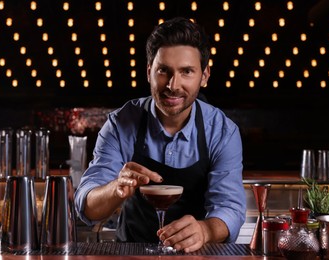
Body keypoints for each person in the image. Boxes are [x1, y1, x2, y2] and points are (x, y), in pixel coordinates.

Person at [74, 17, 246, 253]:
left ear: (204, 75)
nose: (173, 85)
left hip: (195, 254)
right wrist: (116, 188)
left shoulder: (222, 131)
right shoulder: (120, 123)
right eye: (164, 71)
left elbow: (230, 208)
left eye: (186, 72)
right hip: (131, 252)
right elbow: (86, 207)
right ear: (149, 72)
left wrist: (205, 230)